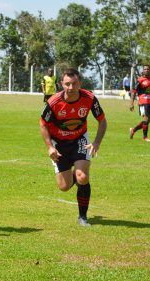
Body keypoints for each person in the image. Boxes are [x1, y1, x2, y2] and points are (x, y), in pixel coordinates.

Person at [40, 68, 107, 227]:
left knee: (82, 176)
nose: (71, 87)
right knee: (64, 186)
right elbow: (43, 124)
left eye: (74, 83)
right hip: (59, 144)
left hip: (80, 140)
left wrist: (96, 142)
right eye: (67, 84)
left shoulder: (89, 98)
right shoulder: (54, 102)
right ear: (61, 84)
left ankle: (82, 217)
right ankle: (75, 176)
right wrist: (50, 147)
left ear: (80, 83)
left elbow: (102, 121)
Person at [129, 64, 150, 142]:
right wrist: (131, 103)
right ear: (143, 70)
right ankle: (145, 137)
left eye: (148, 69)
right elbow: (134, 92)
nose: (146, 70)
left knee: (148, 121)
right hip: (142, 102)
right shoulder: (140, 80)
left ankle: (133, 129)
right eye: (145, 69)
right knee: (146, 120)